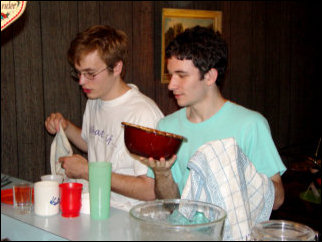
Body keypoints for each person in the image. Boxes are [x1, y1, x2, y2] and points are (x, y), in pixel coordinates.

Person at [140, 26, 286, 210]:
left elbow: (277, 201)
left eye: (181, 76)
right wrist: (162, 174)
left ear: (209, 76)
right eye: (171, 75)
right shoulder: (167, 126)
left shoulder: (250, 124)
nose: (171, 85)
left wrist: (240, 174)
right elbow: (171, 206)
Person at [45, 25, 164, 211]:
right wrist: (66, 127)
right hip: (98, 205)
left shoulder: (143, 114)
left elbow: (150, 190)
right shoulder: (95, 99)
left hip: (131, 217)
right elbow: (92, 142)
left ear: (117, 67)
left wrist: (88, 171)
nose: (82, 82)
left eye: (90, 74)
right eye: (78, 73)